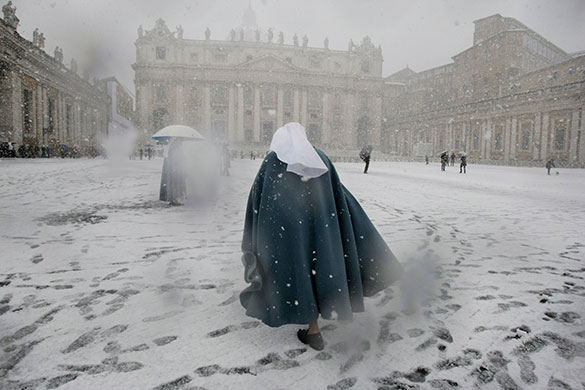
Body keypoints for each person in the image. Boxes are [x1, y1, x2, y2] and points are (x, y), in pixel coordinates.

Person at [240, 122, 402, 350]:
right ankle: (316, 323)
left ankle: (311, 328)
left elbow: (258, 198)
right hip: (322, 229)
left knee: (298, 274)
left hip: (287, 234)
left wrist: (260, 229)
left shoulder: (273, 161)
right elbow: (338, 193)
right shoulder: (321, 158)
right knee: (320, 270)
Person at [159, 139, 186, 205]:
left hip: (173, 169)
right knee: (175, 184)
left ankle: (173, 198)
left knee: (173, 184)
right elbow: (176, 159)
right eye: (180, 142)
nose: (181, 143)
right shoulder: (175, 148)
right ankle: (175, 199)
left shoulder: (173, 147)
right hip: (175, 170)